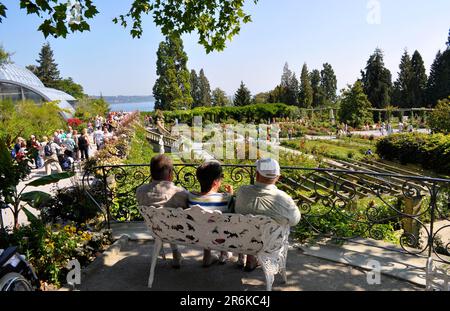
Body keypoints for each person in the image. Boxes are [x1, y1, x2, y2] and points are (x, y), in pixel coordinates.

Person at [235, 158, 301, 271]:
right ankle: (254, 259)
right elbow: (295, 220)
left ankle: (251, 258)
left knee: (251, 228)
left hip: (243, 241)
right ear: (277, 177)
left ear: (256, 174)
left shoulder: (242, 191)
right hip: (270, 246)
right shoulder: (283, 198)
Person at [136, 155, 189, 268]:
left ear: (151, 172)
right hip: (177, 232)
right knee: (171, 221)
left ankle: (174, 253)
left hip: (155, 230)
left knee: (164, 222)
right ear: (170, 173)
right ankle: (176, 253)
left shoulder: (140, 191)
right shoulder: (179, 193)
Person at [188, 160, 234, 266]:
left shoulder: (191, 196)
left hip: (198, 236)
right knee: (222, 222)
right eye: (221, 177)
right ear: (215, 182)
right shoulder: (225, 198)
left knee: (205, 223)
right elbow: (231, 214)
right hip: (219, 238)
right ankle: (223, 253)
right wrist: (230, 195)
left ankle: (207, 256)